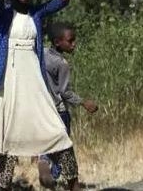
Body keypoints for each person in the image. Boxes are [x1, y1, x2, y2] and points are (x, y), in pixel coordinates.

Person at [0, 0, 81, 191]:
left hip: (34, 84)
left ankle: (71, 182)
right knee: (5, 143)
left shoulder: (35, 15)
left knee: (58, 132)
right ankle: (2, 186)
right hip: (8, 83)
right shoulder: (4, 15)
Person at [38, 22, 98, 188]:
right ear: (58, 42)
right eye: (70, 41)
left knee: (47, 145)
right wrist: (84, 102)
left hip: (42, 111)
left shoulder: (41, 54)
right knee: (64, 149)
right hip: (59, 112)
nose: (74, 44)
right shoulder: (62, 63)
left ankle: (44, 163)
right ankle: (60, 177)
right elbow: (65, 92)